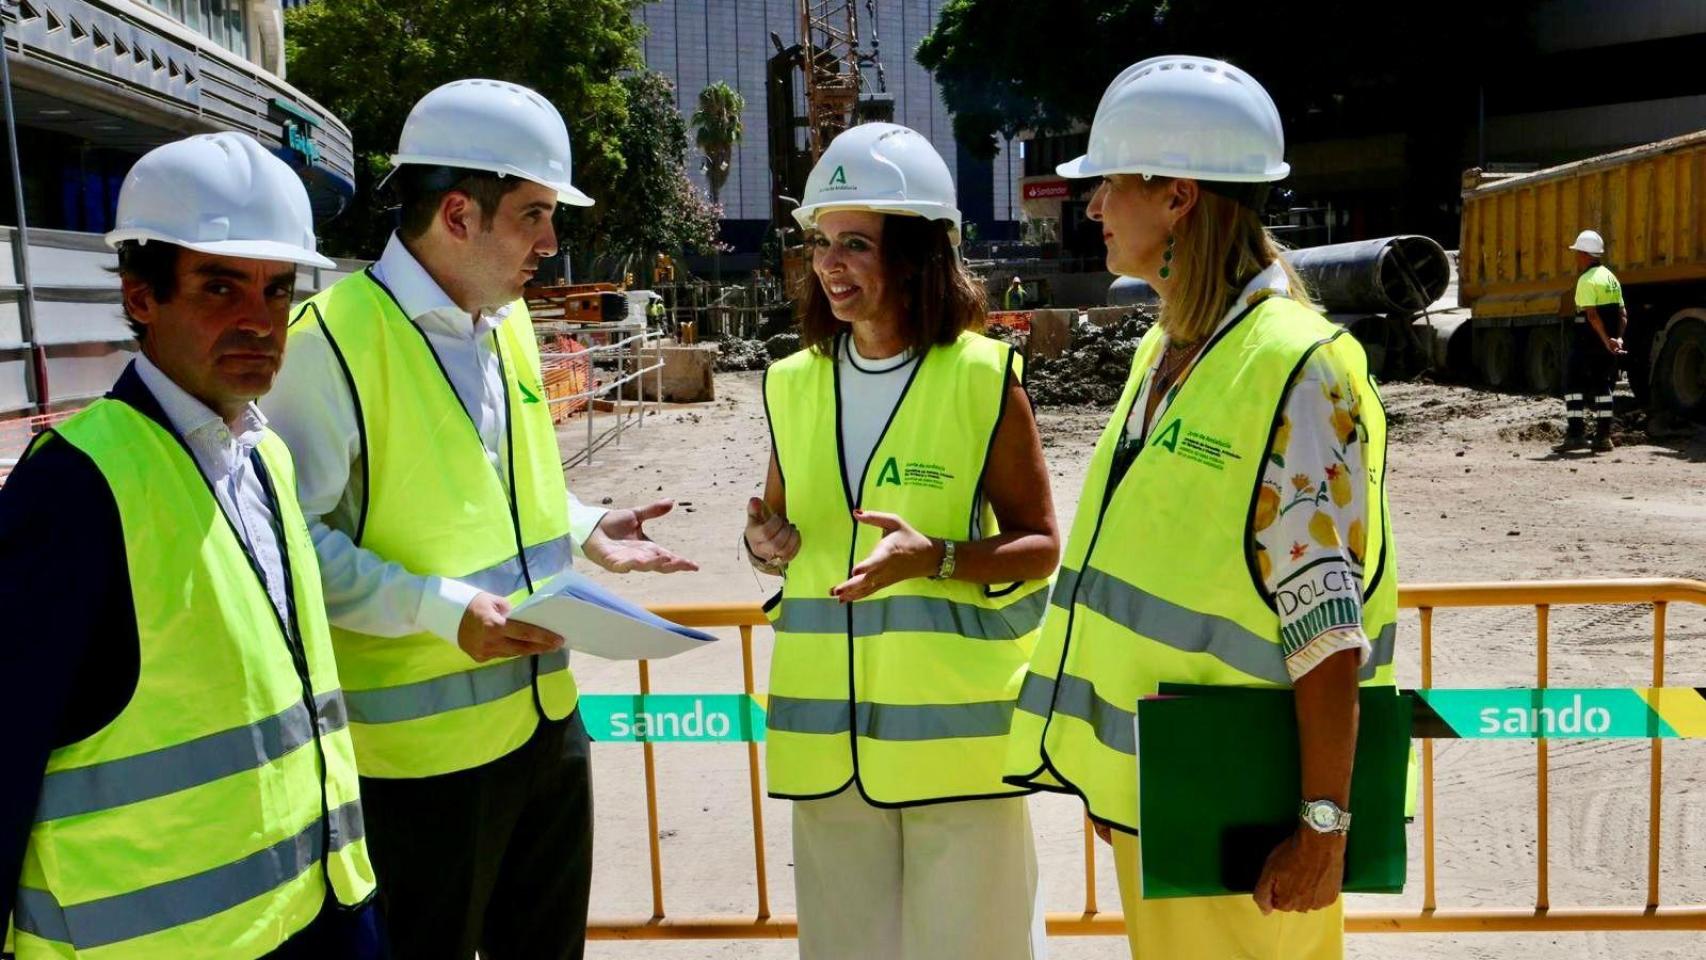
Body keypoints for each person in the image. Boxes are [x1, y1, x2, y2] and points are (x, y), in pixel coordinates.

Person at [261, 79, 695, 960]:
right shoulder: (326, 345)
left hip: (545, 726)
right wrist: (438, 609)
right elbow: (288, 545)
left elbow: (496, 495)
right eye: (535, 214)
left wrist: (584, 527)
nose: (551, 240)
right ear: (459, 214)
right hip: (420, 771)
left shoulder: (508, 327)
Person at [1002, 56, 1398, 960]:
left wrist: (1323, 828)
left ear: (1177, 196)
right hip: (1171, 790)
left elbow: (1327, 626)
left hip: (1249, 811)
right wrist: (1117, 786)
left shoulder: (1300, 367)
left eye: (1109, 184)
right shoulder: (1168, 350)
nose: (1093, 205)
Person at [1, 133, 383, 958]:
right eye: (220, 287)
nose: (259, 321)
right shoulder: (74, 488)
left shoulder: (268, 458)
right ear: (141, 297)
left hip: (320, 911)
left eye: (278, 291)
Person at [742, 121, 1061, 960]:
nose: (830, 265)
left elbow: (1040, 545)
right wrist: (764, 544)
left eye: (856, 244)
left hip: (958, 754)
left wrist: (941, 559)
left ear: (917, 255)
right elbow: (776, 531)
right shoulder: (789, 384)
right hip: (829, 752)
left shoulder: (982, 378)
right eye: (820, 242)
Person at [1558, 229, 1625, 453]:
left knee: (1572, 384)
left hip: (1587, 341)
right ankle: (1603, 438)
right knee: (1603, 386)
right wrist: (1618, 339)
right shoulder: (1612, 278)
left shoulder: (1586, 280)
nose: (1576, 256)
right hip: (1606, 344)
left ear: (1586, 254)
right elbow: (1623, 314)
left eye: (1578, 252)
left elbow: (1592, 315)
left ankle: (1576, 435)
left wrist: (1605, 340)